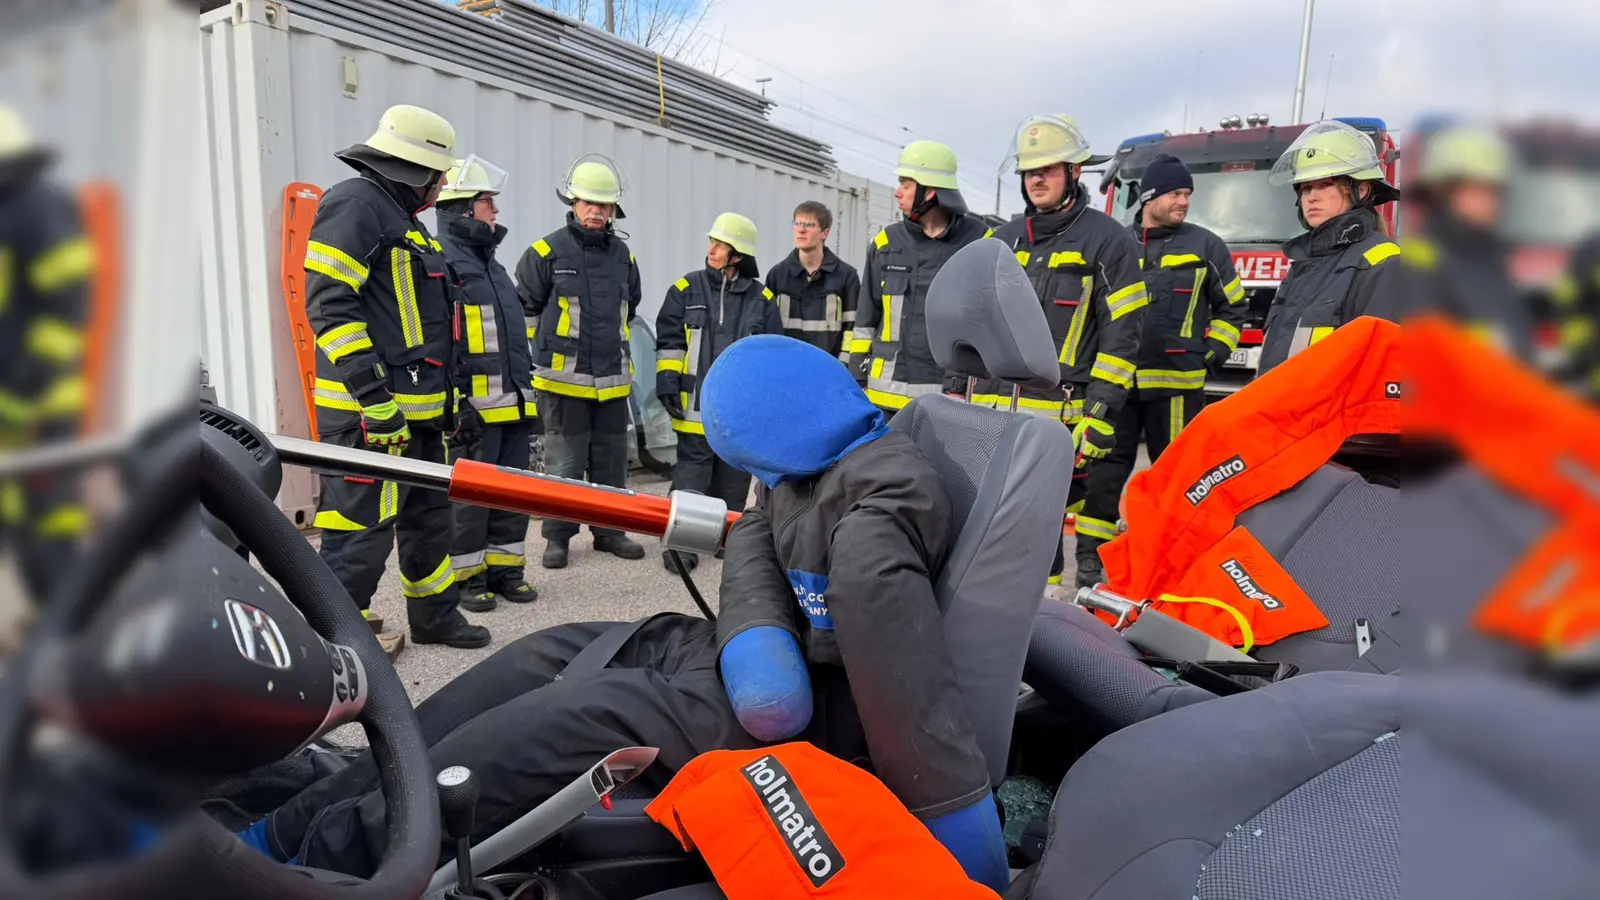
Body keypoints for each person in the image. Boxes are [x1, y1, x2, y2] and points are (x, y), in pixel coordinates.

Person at [235, 336, 1007, 893]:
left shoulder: (879, 503)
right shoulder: (838, 449)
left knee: (553, 724)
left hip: (827, 711)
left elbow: (906, 691)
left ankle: (298, 866)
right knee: (539, 659)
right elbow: (762, 531)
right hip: (749, 655)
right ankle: (291, 816)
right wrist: (758, 636)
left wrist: (956, 832)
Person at [301, 104, 489, 650]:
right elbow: (330, 308)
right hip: (373, 418)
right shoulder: (355, 204)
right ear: (418, 171)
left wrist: (456, 405)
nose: (440, 187)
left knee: (430, 522)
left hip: (420, 416)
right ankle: (328, 641)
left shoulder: (404, 221)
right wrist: (373, 398)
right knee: (359, 531)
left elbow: (429, 326)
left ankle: (435, 619)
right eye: (438, 175)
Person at [982, 114, 1149, 588]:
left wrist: (1099, 412)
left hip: (1061, 420)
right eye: (1030, 171)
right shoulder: (1000, 240)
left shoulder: (1108, 241)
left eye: (1048, 169)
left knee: (1043, 535)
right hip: (993, 414)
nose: (1036, 179)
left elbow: (1122, 335)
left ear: (1075, 173)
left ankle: (1044, 627)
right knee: (988, 526)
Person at [1068, 153, 1250, 582]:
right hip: (1117, 387)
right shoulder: (1115, 244)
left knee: (1176, 476)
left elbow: (1233, 308)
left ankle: (1168, 559)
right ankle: (1092, 559)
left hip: (1176, 388)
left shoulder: (1206, 246)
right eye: (1175, 192)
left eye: (1187, 193)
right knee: (1103, 475)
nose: (1184, 200)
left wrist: (1210, 356)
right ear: (1149, 196)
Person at [515, 154, 647, 569]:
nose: (596, 211)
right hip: (561, 383)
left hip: (611, 381)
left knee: (612, 462)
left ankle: (610, 531)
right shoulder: (544, 252)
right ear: (572, 203)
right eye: (588, 202)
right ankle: (558, 537)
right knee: (564, 464)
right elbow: (527, 314)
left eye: (603, 205)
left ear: (613, 211)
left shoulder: (624, 257)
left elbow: (631, 308)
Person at [435, 156, 539, 610]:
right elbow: (442, 342)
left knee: (512, 492)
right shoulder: (444, 262)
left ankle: (506, 570)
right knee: (471, 500)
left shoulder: (493, 267)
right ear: (462, 208)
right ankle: (468, 578)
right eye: (486, 202)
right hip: (475, 408)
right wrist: (456, 404)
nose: (494, 211)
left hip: (513, 404)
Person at [0, 105, 94, 607]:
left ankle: (66, 634)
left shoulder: (39, 207)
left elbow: (63, 318)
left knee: (47, 524)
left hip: (39, 403)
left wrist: (19, 397)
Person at [654, 212, 782, 571]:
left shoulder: (763, 299)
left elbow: (771, 354)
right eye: (711, 241)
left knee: (734, 474)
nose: (711, 249)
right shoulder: (685, 289)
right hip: (693, 404)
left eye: (720, 244)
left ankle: (728, 538)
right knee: (691, 476)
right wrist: (666, 381)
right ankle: (682, 545)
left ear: (737, 254)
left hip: (739, 409)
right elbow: (669, 343)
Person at [846, 141, 991, 415]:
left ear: (931, 190)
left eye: (906, 184)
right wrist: (856, 376)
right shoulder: (885, 243)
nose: (897, 193)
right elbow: (866, 320)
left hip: (952, 401)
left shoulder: (981, 242)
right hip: (884, 399)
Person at [1257, 119, 1401, 376]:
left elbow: (1377, 374)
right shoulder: (1303, 265)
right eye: (1305, 188)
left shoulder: (1383, 263)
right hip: (1286, 414)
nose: (1312, 196)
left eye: (1325, 184)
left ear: (1362, 189)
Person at [1391, 124, 1531, 361]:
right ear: (1443, 192)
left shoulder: (1493, 258)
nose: (1489, 201)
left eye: (1494, 191)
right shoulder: (1421, 261)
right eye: (1476, 189)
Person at [764, 200, 862, 362]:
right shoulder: (776, 276)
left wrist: (842, 368)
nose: (801, 230)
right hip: (786, 369)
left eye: (809, 225)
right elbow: (766, 328)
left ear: (825, 233)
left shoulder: (847, 277)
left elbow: (852, 330)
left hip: (829, 373)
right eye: (797, 223)